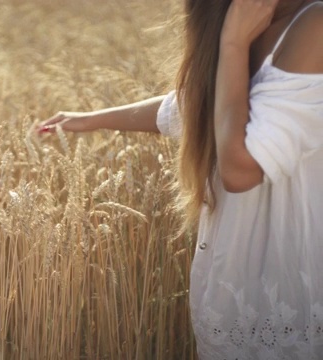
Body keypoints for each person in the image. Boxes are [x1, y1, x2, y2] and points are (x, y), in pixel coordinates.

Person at [38, 0, 323, 358]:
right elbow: (201, 106)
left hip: (290, 290)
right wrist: (90, 119)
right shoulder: (254, 16)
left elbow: (240, 169)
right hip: (232, 288)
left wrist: (232, 42)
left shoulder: (314, 23)